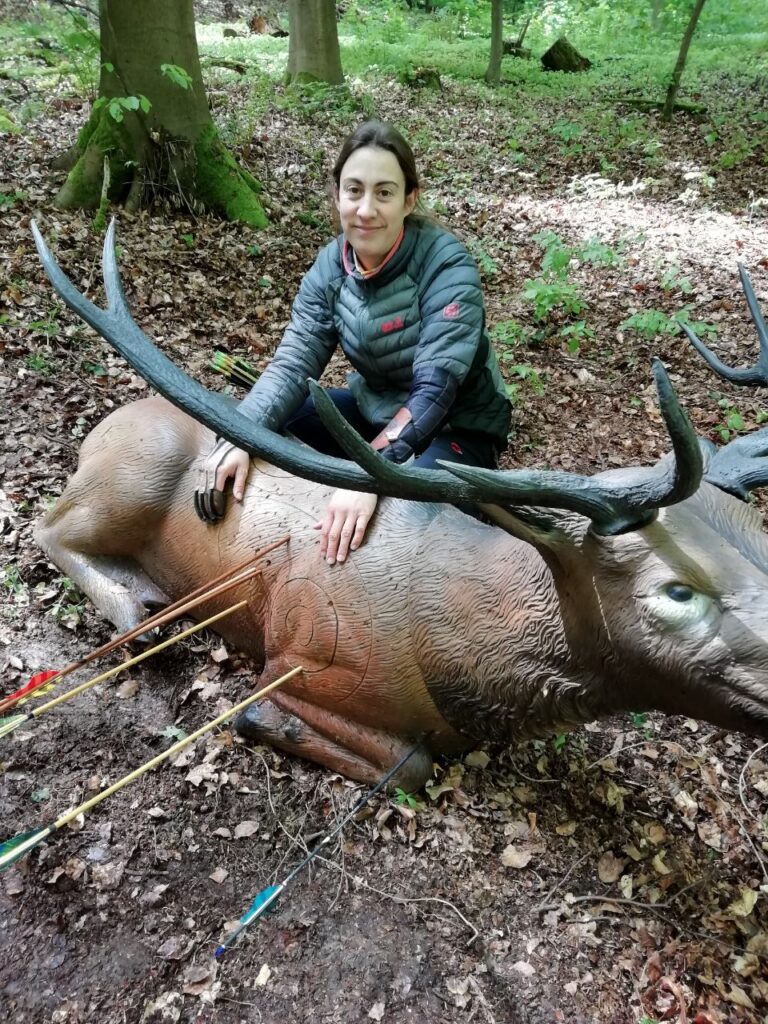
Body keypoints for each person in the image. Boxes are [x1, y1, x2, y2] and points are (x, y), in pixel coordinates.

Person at [195, 120, 511, 564]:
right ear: (337, 195)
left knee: (412, 522)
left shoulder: (445, 263)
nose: (366, 209)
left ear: (409, 199)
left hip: (456, 427)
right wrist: (241, 436)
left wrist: (369, 475)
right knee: (272, 419)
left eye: (384, 193)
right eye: (354, 190)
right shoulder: (331, 267)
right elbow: (293, 364)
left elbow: (436, 389)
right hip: (374, 411)